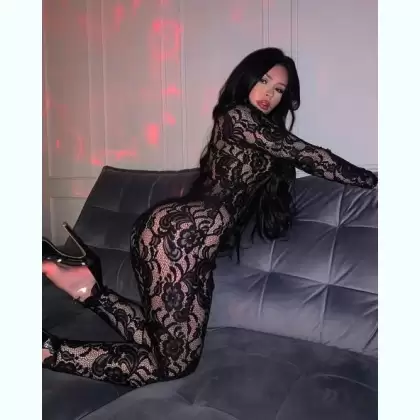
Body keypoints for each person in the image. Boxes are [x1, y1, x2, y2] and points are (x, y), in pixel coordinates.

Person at [42, 47, 378, 388]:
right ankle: (47, 351)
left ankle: (90, 290)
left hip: (181, 239)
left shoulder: (258, 135)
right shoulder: (237, 116)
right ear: (246, 79)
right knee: (173, 366)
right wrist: (374, 181)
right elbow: (310, 155)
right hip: (178, 238)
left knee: (166, 347)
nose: (269, 94)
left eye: (279, 89)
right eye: (263, 81)